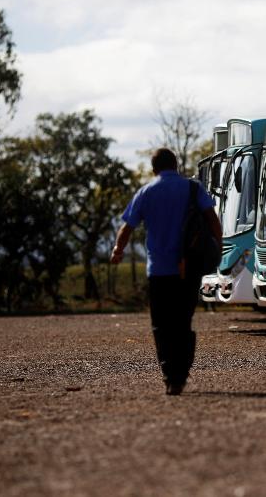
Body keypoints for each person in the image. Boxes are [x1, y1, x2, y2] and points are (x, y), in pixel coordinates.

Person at [111, 148, 222, 395]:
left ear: (154, 169)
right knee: (183, 322)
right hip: (189, 268)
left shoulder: (146, 192)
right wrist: (218, 246)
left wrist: (118, 250)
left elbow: (127, 227)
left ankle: (169, 375)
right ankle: (181, 374)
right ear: (177, 165)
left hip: (159, 271)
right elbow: (212, 219)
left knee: (161, 325)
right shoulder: (193, 189)